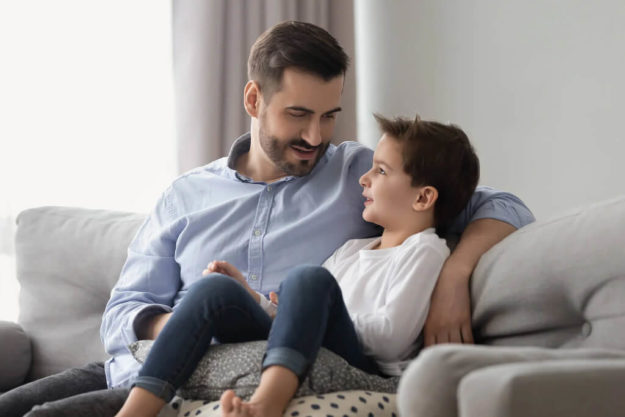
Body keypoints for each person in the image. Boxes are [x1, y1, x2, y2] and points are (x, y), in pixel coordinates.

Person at [0, 20, 534, 417]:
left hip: (255, 372)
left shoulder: (359, 175)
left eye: (328, 116)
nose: (315, 137)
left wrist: (455, 275)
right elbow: (123, 311)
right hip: (153, 366)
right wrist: (195, 324)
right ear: (254, 99)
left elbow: (502, 205)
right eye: (298, 115)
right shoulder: (186, 195)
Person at [113, 112, 481, 417]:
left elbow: (390, 342)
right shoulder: (353, 249)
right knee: (214, 289)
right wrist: (252, 298)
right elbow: (293, 317)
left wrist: (321, 315)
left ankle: (267, 403)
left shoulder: (425, 251)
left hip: (365, 367)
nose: (364, 178)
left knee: (308, 279)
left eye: (381, 171)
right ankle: (136, 409)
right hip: (313, 345)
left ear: (423, 198)